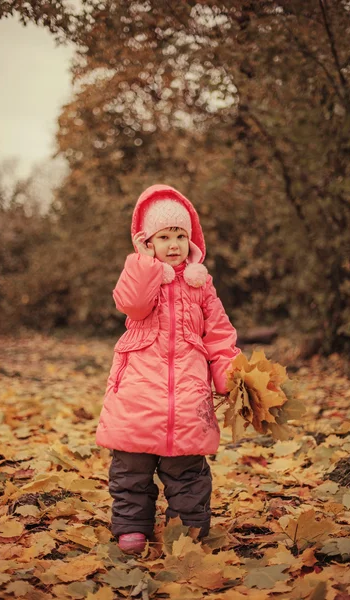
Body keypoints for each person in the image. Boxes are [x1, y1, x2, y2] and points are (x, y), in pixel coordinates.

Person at [96, 184, 240, 554]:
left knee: (188, 470)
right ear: (147, 241)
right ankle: (131, 527)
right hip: (138, 390)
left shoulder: (201, 283)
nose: (173, 244)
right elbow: (133, 305)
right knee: (131, 466)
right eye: (164, 237)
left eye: (180, 235)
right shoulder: (140, 273)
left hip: (188, 392)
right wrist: (145, 263)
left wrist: (227, 374)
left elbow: (220, 333)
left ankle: (188, 530)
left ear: (191, 239)